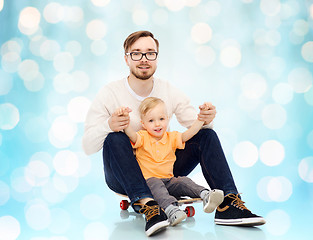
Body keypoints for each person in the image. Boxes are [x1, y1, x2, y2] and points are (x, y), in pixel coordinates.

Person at [82, 30, 265, 236]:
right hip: (124, 175)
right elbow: (88, 146)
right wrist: (109, 124)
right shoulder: (110, 92)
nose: (144, 59)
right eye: (136, 53)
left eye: (150, 53)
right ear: (126, 58)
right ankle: (150, 207)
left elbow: (199, 130)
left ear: (157, 58)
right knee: (114, 137)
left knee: (207, 135)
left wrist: (206, 117)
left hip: (163, 169)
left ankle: (228, 204)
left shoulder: (168, 89)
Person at [117, 97, 224, 226]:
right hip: (149, 183)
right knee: (156, 183)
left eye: (161, 119)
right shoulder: (142, 137)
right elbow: (130, 135)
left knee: (183, 181)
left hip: (169, 181)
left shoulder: (171, 137)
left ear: (167, 119)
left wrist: (200, 119)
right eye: (151, 121)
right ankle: (171, 210)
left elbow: (189, 134)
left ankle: (206, 194)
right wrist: (125, 119)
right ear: (143, 124)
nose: (157, 124)